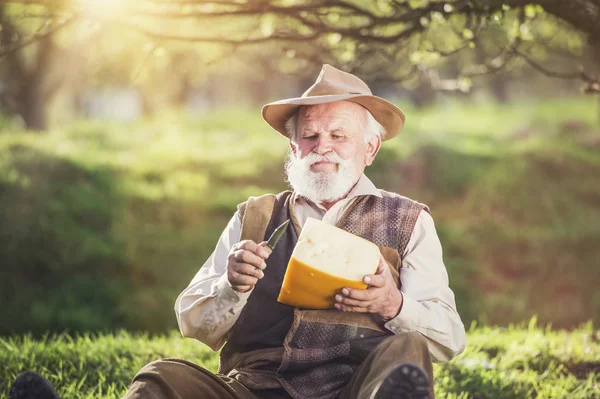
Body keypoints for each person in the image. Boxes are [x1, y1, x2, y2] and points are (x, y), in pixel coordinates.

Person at [9, 65, 466, 399]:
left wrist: (394, 303)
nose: (321, 147)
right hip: (251, 391)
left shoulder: (408, 220)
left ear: (370, 147)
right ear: (292, 146)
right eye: (309, 136)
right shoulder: (254, 216)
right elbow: (190, 320)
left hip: (355, 389)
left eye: (338, 135)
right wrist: (231, 286)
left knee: (406, 351)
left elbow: (449, 338)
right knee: (160, 378)